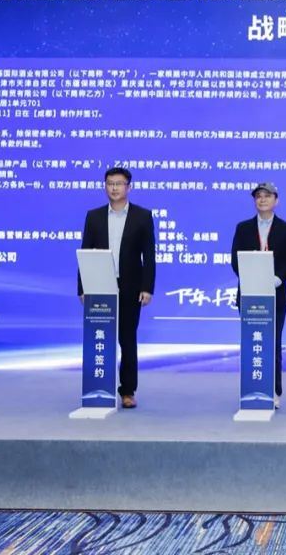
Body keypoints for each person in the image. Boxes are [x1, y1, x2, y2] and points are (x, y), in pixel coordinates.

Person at [77, 167, 155, 409]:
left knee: (127, 339)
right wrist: (82, 287)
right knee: (100, 337)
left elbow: (149, 256)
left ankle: (128, 391)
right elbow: (85, 251)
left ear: (128, 187)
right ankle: (99, 387)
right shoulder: (94, 216)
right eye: (110, 183)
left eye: (119, 183)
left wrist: (147, 287)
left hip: (130, 286)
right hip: (100, 285)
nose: (114, 188)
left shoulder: (142, 216)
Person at [231, 182, 286, 408]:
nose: (262, 199)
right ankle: (251, 389)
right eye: (258, 196)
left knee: (272, 343)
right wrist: (252, 278)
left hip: (276, 296)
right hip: (249, 294)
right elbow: (235, 260)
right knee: (252, 342)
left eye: (267, 196)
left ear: (276, 201)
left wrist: (275, 280)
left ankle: (274, 391)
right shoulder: (243, 228)